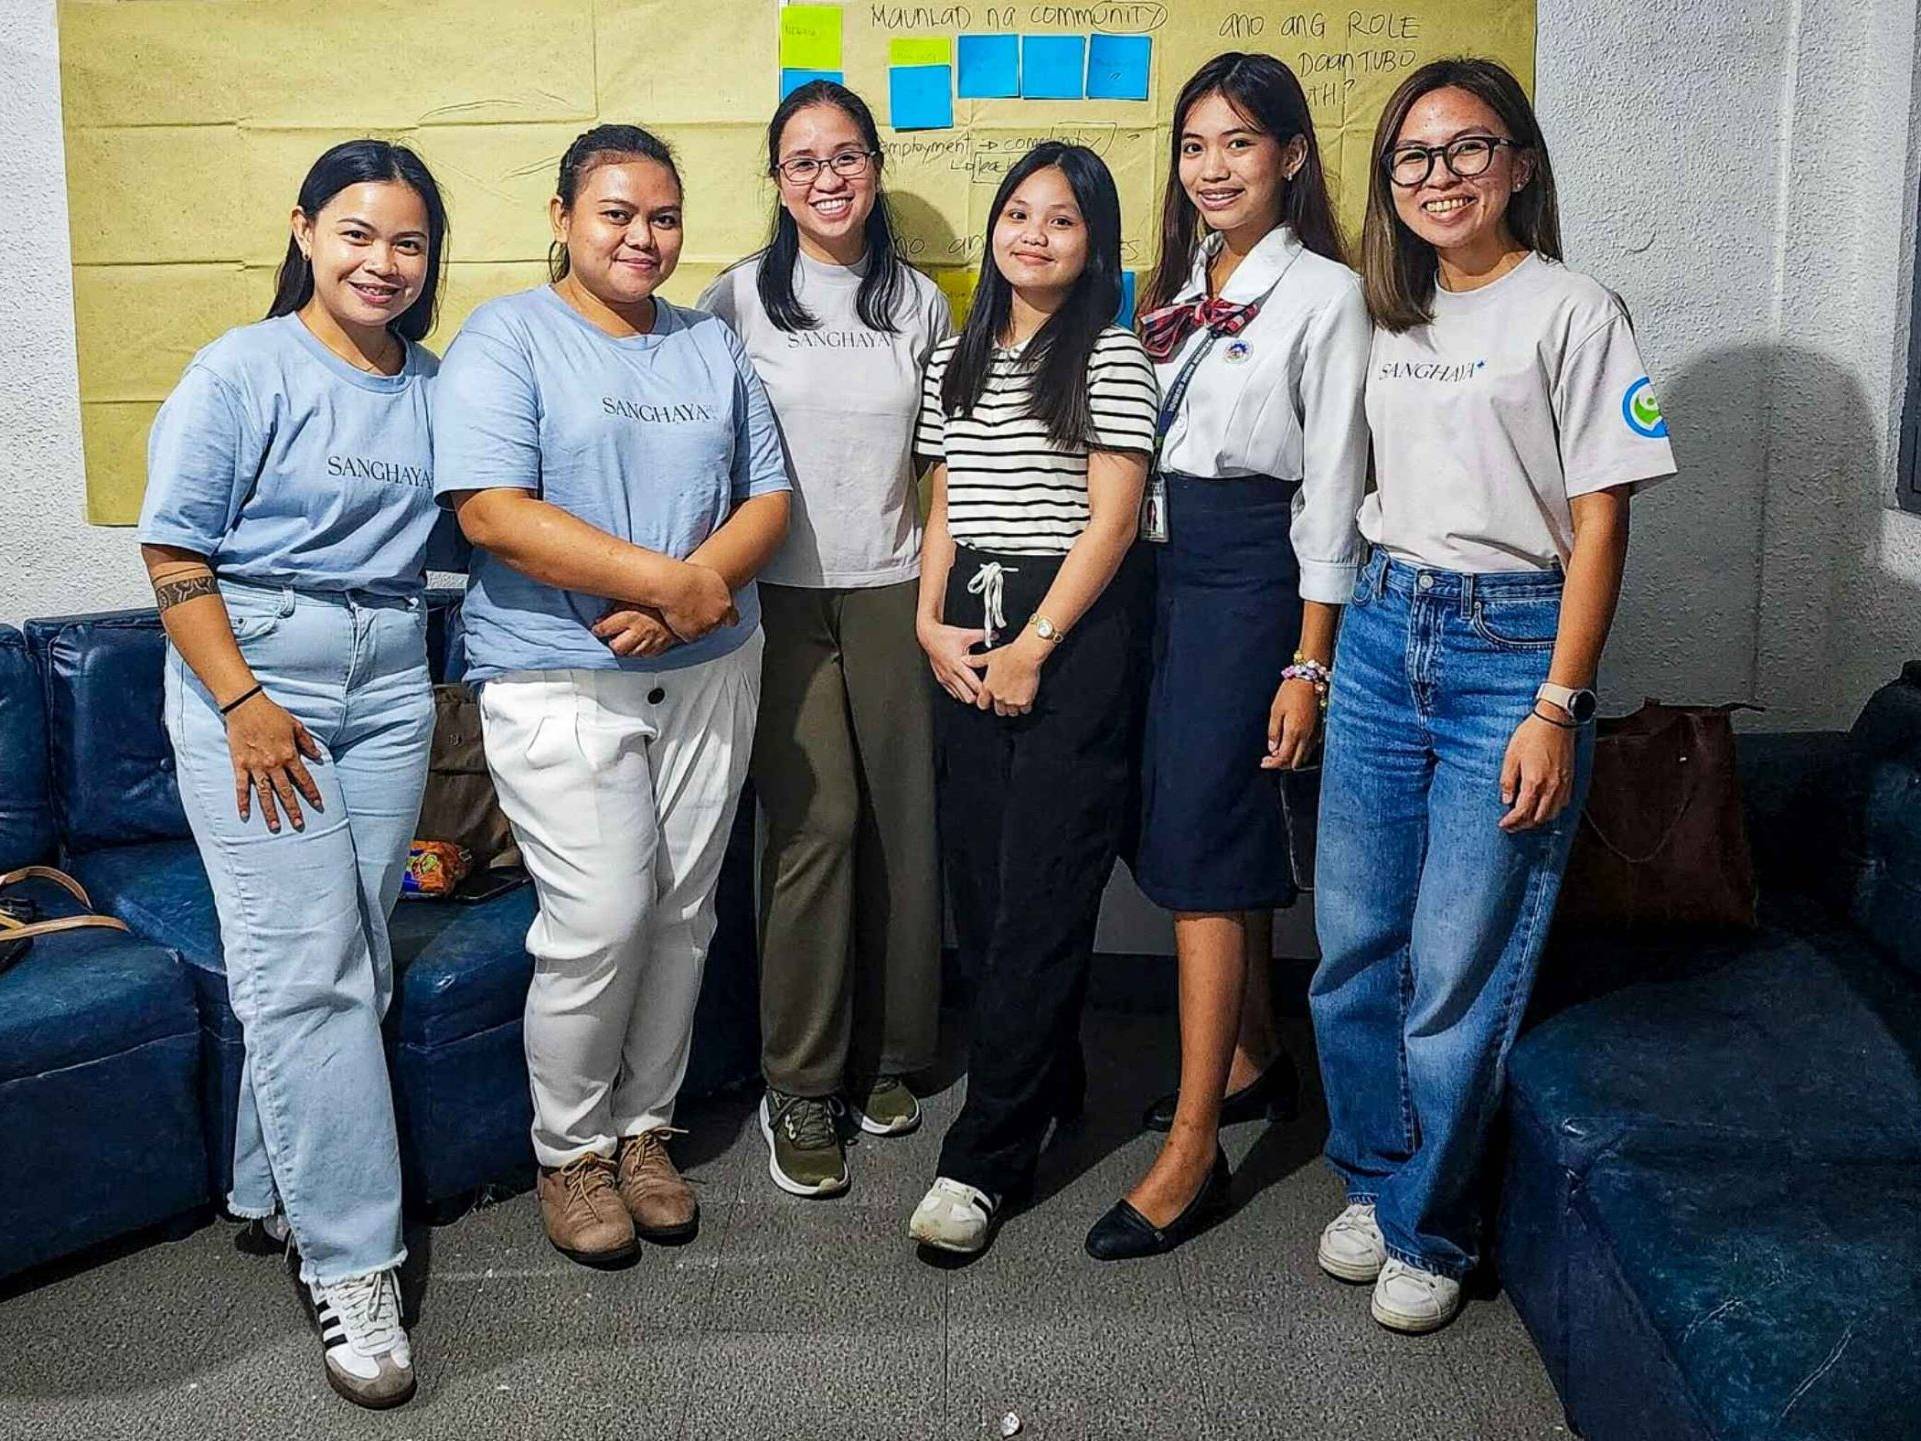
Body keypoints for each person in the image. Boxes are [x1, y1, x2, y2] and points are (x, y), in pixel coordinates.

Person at [1310, 58, 1676, 1332]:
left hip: (1508, 651)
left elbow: (1600, 520)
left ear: (1520, 164)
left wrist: (1557, 705)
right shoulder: (1386, 313)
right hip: (1378, 626)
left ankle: (1431, 1220)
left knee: (1459, 961)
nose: (1440, 177)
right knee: (1353, 945)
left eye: (1469, 151)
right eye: (1413, 158)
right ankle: (1372, 1173)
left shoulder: (1573, 310)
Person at [432, 124, 791, 1267]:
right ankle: (570, 1150)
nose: (644, 237)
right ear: (561, 218)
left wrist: (691, 599)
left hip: (708, 668)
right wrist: (673, 584)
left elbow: (767, 497)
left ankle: (645, 1131)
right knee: (598, 918)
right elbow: (492, 511)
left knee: (685, 914)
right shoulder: (507, 338)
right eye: (617, 214)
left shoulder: (707, 346)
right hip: (557, 673)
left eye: (665, 217)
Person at [138, 138, 450, 1409]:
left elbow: (484, 517)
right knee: (308, 967)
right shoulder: (242, 368)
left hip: (392, 680)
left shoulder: (438, 380)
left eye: (410, 242)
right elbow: (171, 552)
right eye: (359, 234)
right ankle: (353, 1263)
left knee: (358, 945)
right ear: (306, 232)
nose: (384, 262)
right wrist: (243, 703)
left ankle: (270, 1192)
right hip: (259, 678)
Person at [1086, 52, 1370, 1261]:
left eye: (1240, 144)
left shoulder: (1328, 296)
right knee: (1177, 820)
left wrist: (1308, 662)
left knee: (1206, 843)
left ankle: (1196, 1145)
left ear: (1291, 156)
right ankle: (1253, 1058)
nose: (1213, 168)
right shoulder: (1173, 282)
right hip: (1157, 568)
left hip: (1254, 575)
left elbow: (1336, 490)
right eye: (1195, 145)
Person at [904, 142, 1159, 1257]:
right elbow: (947, 499)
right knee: (982, 884)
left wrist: (1035, 647)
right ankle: (1052, 1086)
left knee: (1044, 894)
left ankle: (984, 1160)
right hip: (968, 615)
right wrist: (928, 620)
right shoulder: (953, 359)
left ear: (1094, 243)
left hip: (1075, 625)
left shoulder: (1109, 355)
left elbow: (1111, 520)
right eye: (1017, 214)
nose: (1034, 236)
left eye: (1061, 220)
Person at [699, 81, 951, 1199]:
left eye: (845, 156)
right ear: (775, 180)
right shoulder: (735, 300)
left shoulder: (919, 302)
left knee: (903, 823)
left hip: (896, 588)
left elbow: (940, 464)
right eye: (802, 162)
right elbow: (698, 455)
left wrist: (936, 595)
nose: (827, 179)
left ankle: (891, 1053)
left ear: (875, 166)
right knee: (814, 824)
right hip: (780, 597)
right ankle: (798, 1078)